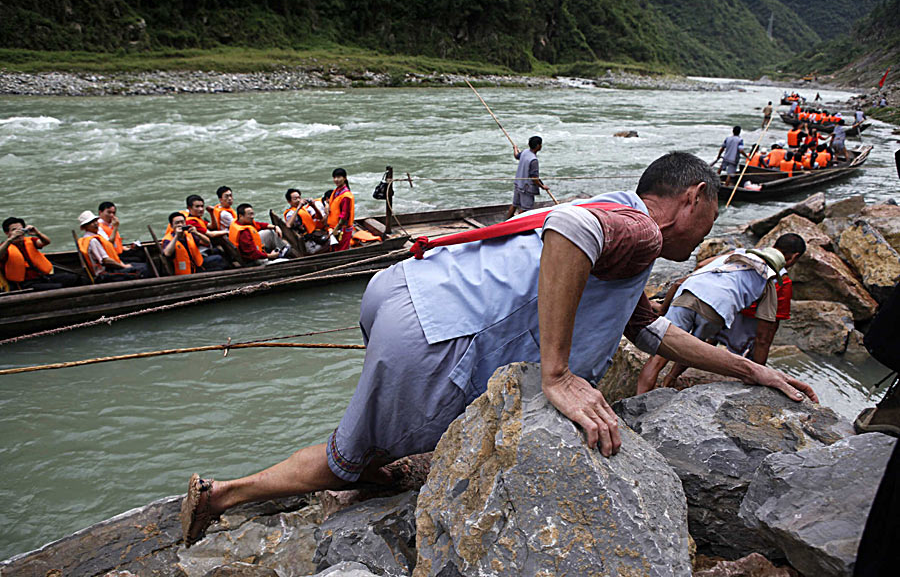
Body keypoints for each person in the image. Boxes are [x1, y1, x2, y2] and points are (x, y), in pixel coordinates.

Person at [179, 152, 818, 547]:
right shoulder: (639, 231)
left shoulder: (617, 215)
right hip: (441, 333)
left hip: (402, 290)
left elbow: (653, 330)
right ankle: (221, 494)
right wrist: (558, 373)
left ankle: (369, 451)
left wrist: (751, 369)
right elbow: (572, 231)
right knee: (349, 459)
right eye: (712, 212)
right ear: (693, 199)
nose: (710, 230)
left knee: (377, 436)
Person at [636, 245, 790, 394]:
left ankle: (638, 402)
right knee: (693, 348)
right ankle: (670, 380)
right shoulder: (769, 283)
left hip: (688, 293)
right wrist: (759, 371)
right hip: (716, 310)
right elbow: (763, 335)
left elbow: (697, 268)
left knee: (657, 359)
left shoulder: (732, 258)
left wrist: (663, 308)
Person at [715, 234, 807, 364]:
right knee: (760, 340)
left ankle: (676, 375)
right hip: (749, 322)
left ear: (774, 246)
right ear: (794, 257)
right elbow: (765, 338)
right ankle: (755, 377)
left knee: (707, 335)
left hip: (720, 306)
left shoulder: (744, 254)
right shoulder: (782, 281)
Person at [1, 217, 80, 290]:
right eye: (14, 230)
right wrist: (10, 239)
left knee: (74, 278)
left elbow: (46, 242)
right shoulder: (5, 247)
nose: (19, 233)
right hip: (25, 284)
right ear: (7, 233)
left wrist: (37, 233)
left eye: (21, 229)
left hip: (42, 277)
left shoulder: (30, 241)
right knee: (58, 287)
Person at [77, 211, 150, 282]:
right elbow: (106, 261)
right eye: (91, 223)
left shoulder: (90, 238)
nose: (96, 224)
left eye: (95, 221)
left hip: (108, 268)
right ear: (84, 227)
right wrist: (124, 266)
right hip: (103, 274)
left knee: (140, 264)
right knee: (143, 269)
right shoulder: (93, 241)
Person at [505, 135, 549, 220]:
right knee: (525, 210)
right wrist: (542, 186)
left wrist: (515, 148)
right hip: (526, 188)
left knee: (514, 205)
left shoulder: (525, 152)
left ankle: (505, 223)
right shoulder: (533, 160)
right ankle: (516, 226)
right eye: (540, 144)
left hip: (518, 184)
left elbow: (516, 156)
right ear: (538, 146)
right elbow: (534, 178)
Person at [284, 189, 328, 255]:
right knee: (330, 243)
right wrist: (298, 207)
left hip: (313, 236)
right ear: (289, 201)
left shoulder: (304, 209)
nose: (298, 200)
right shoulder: (291, 213)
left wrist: (313, 206)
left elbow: (320, 217)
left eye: (299, 198)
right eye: (295, 199)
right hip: (305, 242)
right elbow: (288, 225)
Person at [326, 168, 355, 252]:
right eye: (334, 177)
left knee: (342, 250)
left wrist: (336, 228)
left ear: (345, 178)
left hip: (342, 228)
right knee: (335, 248)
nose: (336, 180)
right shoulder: (336, 191)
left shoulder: (346, 196)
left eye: (339, 177)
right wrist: (327, 205)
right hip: (334, 227)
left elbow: (345, 215)